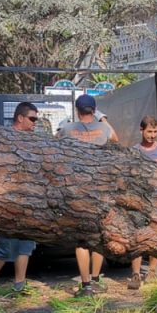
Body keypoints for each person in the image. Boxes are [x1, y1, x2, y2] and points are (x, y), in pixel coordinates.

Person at [0, 101, 40, 295]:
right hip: (6, 202)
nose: (35, 123)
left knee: (25, 246)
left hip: (28, 202)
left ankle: (19, 285)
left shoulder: (34, 143)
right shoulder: (4, 140)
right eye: (32, 119)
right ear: (20, 118)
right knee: (6, 247)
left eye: (36, 119)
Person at [56, 93, 117, 296]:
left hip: (78, 191)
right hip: (100, 189)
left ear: (77, 110)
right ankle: (97, 278)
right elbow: (116, 141)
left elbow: (53, 144)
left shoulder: (68, 129)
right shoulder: (104, 128)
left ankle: (86, 285)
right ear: (94, 109)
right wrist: (103, 119)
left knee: (81, 240)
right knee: (98, 237)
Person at [128, 116, 157, 290]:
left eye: (155, 132)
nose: (152, 135)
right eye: (149, 131)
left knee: (155, 236)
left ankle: (153, 271)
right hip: (139, 201)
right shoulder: (134, 151)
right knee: (138, 237)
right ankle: (135, 273)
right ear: (141, 131)